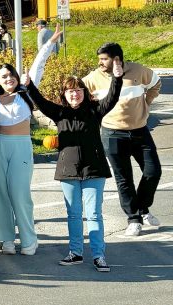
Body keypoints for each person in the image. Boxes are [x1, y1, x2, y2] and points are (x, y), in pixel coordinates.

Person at [31, 40, 125, 272]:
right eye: (70, 90)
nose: (74, 94)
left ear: (84, 92)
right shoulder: (59, 113)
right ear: (64, 94)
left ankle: (99, 255)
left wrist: (117, 77)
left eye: (78, 90)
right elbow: (40, 102)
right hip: (68, 170)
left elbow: (112, 97)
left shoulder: (95, 111)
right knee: (73, 215)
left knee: (94, 214)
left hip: (94, 169)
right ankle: (75, 252)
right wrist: (28, 85)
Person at [83, 42, 163, 237]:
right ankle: (133, 218)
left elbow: (156, 83)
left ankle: (143, 209)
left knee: (153, 171)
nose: (100, 63)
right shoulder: (94, 78)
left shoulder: (138, 70)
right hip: (112, 134)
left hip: (140, 131)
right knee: (124, 178)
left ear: (116, 59)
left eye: (104, 59)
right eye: (99, 59)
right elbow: (78, 96)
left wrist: (146, 103)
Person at [0, 62, 38, 255]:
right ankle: (6, 239)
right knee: (0, 194)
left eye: (11, 75)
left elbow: (38, 67)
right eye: (4, 76)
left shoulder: (25, 93)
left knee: (19, 193)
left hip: (21, 146)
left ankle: (29, 239)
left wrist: (50, 43)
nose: (8, 79)